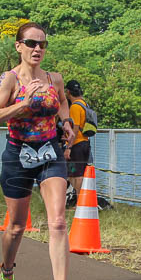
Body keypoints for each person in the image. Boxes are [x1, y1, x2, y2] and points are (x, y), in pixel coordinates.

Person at [0, 22, 83, 280]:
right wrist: (23, 103)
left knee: (58, 222)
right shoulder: (9, 80)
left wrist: (67, 123)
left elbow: (63, 102)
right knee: (15, 228)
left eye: (42, 44)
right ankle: (7, 275)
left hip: (50, 152)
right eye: (31, 43)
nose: (37, 49)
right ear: (18, 46)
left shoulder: (55, 79)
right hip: (18, 154)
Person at [63, 80, 92, 208]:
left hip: (77, 145)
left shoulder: (75, 106)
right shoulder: (85, 104)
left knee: (77, 175)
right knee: (72, 173)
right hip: (85, 143)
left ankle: (80, 203)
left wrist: (68, 147)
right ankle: (76, 199)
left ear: (68, 92)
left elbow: (75, 128)